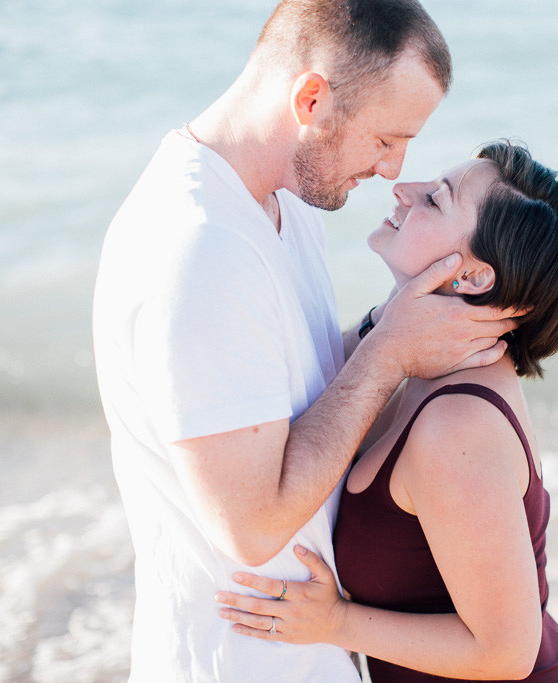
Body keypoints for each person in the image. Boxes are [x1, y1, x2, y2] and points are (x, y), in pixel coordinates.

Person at [92, 2, 519, 680]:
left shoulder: (285, 200)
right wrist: (388, 355)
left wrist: (391, 327)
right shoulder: (199, 248)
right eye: (385, 138)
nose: (393, 169)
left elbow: (297, 385)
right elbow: (253, 529)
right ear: (312, 98)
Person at [214, 140, 558, 681]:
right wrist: (387, 324)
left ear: (472, 278)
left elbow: (506, 653)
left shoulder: (456, 425)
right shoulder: (421, 362)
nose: (403, 189)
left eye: (436, 200)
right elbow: (320, 380)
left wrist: (335, 622)